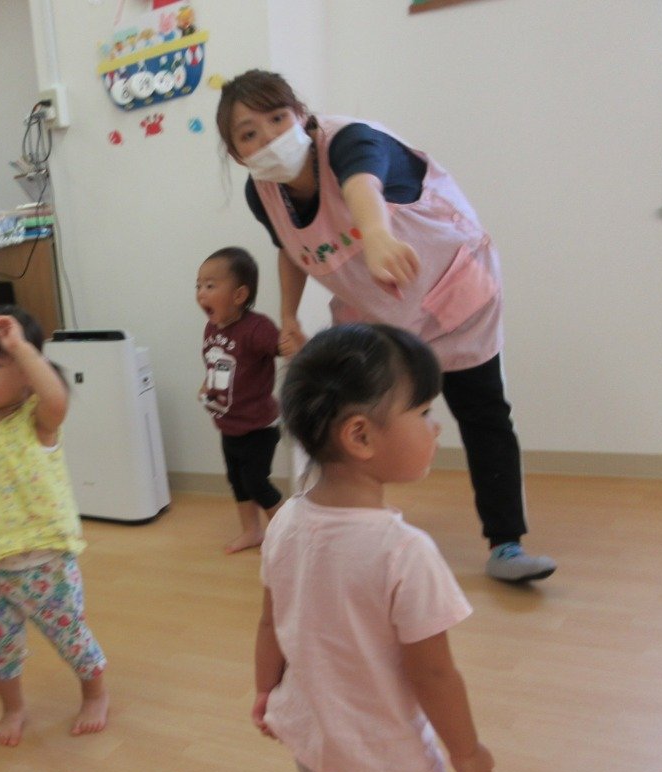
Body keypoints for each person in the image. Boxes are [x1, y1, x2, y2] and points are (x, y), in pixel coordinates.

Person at [252, 324, 537, 772]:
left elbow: (270, 620)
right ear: (361, 436)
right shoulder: (402, 551)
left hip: (313, 727)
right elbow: (434, 672)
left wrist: (266, 693)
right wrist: (467, 751)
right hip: (391, 754)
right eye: (422, 413)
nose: (435, 427)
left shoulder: (284, 521)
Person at [216, 69, 556, 584]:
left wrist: (375, 234)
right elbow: (289, 247)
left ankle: (506, 544)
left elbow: (361, 185)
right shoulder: (260, 191)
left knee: (482, 413)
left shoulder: (351, 141)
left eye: (277, 118)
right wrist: (288, 315)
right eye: (248, 134)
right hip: (375, 309)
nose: (268, 138)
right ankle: (346, 527)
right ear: (238, 154)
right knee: (352, 417)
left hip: (450, 291)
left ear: (302, 116)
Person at [0, 306, 110, 747]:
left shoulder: (37, 421)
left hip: (45, 564)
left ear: (25, 373)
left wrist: (20, 347)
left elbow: (56, 398)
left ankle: (95, 693)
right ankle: (13, 708)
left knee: (70, 636)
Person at [197, 245, 285, 553]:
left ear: (239, 295)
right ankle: (252, 531)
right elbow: (218, 365)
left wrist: (292, 342)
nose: (201, 293)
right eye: (198, 286)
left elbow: (281, 348)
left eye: (210, 285)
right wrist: (207, 386)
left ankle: (287, 536)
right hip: (228, 424)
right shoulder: (212, 327)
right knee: (237, 481)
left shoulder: (256, 328)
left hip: (259, 426)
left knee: (257, 483)